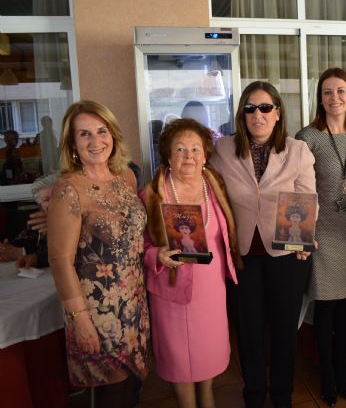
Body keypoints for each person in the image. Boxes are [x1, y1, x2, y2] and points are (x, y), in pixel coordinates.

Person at [211, 81, 316, 408]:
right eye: (250, 108)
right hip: (241, 256)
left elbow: (307, 196)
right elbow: (205, 189)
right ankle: (254, 393)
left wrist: (304, 237)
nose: (257, 115)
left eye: (265, 107)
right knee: (249, 329)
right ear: (242, 114)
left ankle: (282, 394)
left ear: (277, 112)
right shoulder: (223, 149)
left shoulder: (297, 149)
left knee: (285, 329)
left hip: (286, 251)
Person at [46, 100, 149, 408]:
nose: (96, 141)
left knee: (132, 388)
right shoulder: (69, 189)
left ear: (113, 135)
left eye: (101, 131)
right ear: (73, 145)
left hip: (134, 303)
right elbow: (60, 260)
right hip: (97, 311)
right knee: (112, 394)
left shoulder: (126, 179)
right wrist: (80, 320)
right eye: (84, 134)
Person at [140, 118, 241, 408]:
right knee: (179, 358)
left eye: (196, 149)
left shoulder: (215, 184)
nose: (189, 156)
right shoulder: (151, 194)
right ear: (168, 156)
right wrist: (155, 254)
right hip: (171, 290)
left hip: (211, 289)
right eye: (181, 149)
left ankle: (207, 395)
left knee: (207, 350)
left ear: (206, 154)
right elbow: (139, 244)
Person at [296, 67, 346, 406]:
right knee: (325, 310)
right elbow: (296, 188)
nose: (334, 97)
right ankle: (326, 374)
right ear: (320, 98)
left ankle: (342, 370)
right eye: (327, 92)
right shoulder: (307, 137)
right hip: (321, 233)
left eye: (340, 91)